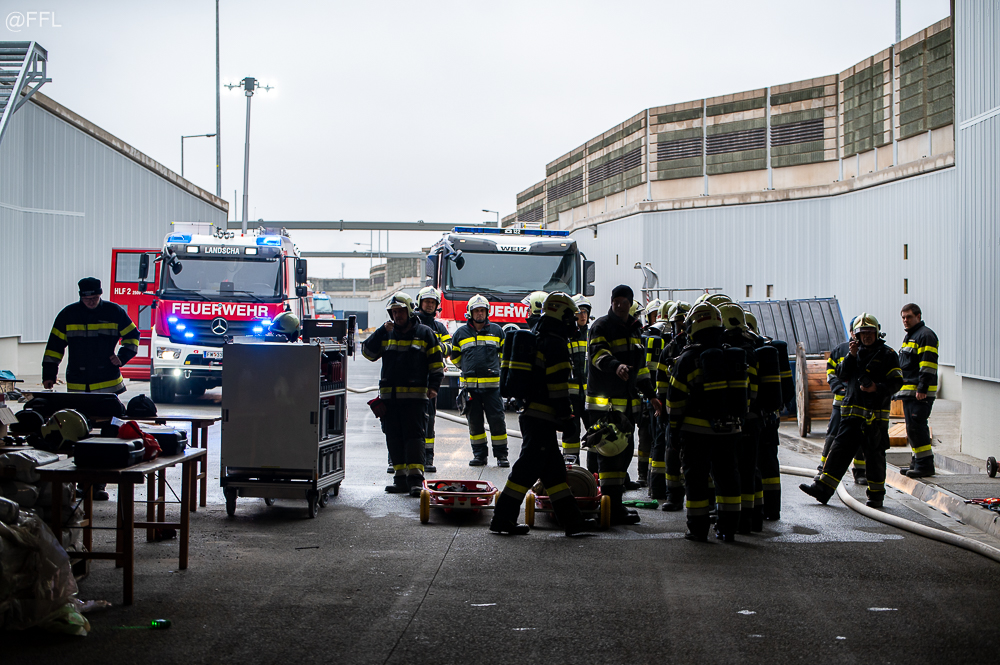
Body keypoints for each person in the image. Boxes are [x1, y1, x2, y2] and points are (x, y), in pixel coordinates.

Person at [489, 293, 600, 536]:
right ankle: (502, 519)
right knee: (525, 472)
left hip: (536, 418)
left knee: (554, 474)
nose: (573, 321)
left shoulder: (542, 336)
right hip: (541, 419)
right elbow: (557, 386)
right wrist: (567, 417)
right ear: (561, 315)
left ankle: (573, 523)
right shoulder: (554, 342)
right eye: (570, 316)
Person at [42, 277, 140, 501]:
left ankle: (99, 484)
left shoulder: (114, 312)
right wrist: (49, 374)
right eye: (87, 299)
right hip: (78, 386)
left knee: (108, 436)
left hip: (108, 386)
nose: (91, 302)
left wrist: (123, 356)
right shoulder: (68, 315)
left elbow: (133, 335)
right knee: (78, 435)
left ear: (100, 295)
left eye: (95, 298)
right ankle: (82, 483)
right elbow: (54, 347)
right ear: (81, 297)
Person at [800, 314, 902, 508]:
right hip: (851, 416)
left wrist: (877, 388)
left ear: (877, 332)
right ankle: (822, 489)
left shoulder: (888, 355)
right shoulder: (852, 353)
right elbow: (841, 374)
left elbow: (897, 382)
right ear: (856, 335)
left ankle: (876, 496)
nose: (867, 336)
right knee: (838, 451)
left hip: (875, 418)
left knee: (875, 456)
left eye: (870, 332)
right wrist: (851, 356)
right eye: (862, 333)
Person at [664, 302, 744, 542]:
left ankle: (698, 529)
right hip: (729, 431)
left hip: (695, 433)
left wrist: (674, 431)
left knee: (696, 481)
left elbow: (675, 401)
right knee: (728, 479)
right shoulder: (732, 355)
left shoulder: (688, 358)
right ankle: (728, 529)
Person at [362, 292, 444, 497]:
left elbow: (436, 363)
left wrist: (434, 386)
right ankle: (400, 479)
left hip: (415, 399)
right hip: (390, 399)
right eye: (394, 312)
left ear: (409, 311)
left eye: (400, 311)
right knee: (393, 438)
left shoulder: (425, 333)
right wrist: (380, 331)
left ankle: (415, 481)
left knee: (414, 438)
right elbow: (368, 353)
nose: (397, 316)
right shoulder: (386, 333)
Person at [585, 284, 655, 525]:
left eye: (624, 301)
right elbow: (598, 354)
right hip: (606, 407)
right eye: (616, 301)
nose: (620, 305)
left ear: (630, 304)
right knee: (609, 455)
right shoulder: (601, 326)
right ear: (612, 302)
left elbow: (641, 369)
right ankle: (610, 507)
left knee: (623, 455)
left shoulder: (635, 330)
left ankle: (613, 505)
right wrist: (616, 366)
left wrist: (652, 395)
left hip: (626, 406)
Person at [451, 294, 509, 467]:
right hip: (470, 389)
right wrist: (467, 367)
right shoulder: (460, 333)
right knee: (475, 424)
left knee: (497, 422)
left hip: (492, 388)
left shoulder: (497, 331)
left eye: (482, 310)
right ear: (470, 313)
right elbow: (455, 357)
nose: (479, 314)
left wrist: (496, 369)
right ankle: (479, 456)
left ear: (487, 312)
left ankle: (501, 456)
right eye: (476, 311)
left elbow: (504, 355)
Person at [820, 318, 867, 485]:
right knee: (833, 435)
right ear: (851, 332)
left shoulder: (869, 351)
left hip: (860, 405)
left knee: (860, 438)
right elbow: (831, 372)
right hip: (841, 403)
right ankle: (823, 467)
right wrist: (839, 389)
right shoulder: (840, 350)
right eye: (855, 330)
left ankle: (860, 472)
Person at [896, 303, 939, 478]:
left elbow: (928, 364)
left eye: (909, 317)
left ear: (918, 316)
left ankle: (925, 465)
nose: (905, 320)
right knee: (912, 428)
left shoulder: (925, 335)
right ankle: (917, 462)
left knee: (917, 428)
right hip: (910, 392)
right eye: (903, 317)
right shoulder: (911, 336)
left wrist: (922, 388)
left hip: (920, 393)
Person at [415, 286, 452, 473]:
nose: (429, 305)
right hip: (412, 379)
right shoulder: (412, 323)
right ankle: (395, 459)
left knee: (429, 420)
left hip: (431, 380)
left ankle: (427, 458)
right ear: (419, 303)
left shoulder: (440, 327)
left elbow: (450, 347)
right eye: (426, 302)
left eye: (432, 302)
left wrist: (435, 349)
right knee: (405, 420)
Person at [562, 294, 592, 463]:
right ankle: (571, 468)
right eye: (579, 312)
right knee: (571, 433)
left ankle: (595, 468)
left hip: (590, 396)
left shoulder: (592, 335)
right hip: (571, 396)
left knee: (595, 431)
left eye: (585, 312)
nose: (582, 315)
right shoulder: (566, 336)